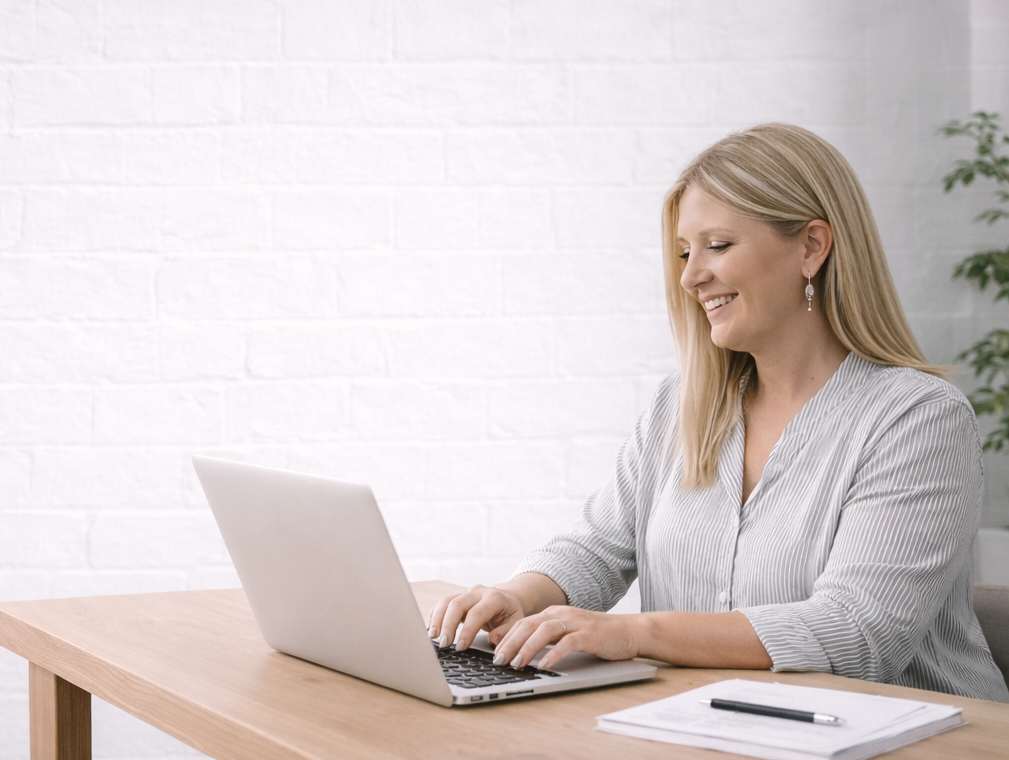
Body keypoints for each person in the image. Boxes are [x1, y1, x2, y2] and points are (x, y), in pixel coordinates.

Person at [428, 123, 1009, 702]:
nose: (690, 276)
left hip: (909, 732)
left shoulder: (918, 420)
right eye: (685, 252)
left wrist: (633, 633)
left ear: (812, 246)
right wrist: (519, 595)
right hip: (708, 723)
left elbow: (857, 631)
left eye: (718, 246)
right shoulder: (679, 406)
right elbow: (599, 547)